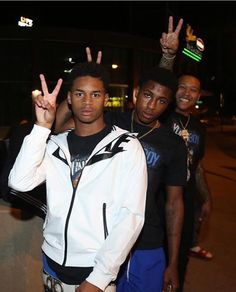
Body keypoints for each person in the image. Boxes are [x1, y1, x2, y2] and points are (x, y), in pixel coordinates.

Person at [55, 46, 187, 292]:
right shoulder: (111, 120)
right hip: (101, 240)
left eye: (161, 101)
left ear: (168, 105)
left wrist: (174, 262)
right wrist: (84, 84)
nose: (151, 105)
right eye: (147, 95)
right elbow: (60, 126)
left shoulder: (173, 144)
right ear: (137, 93)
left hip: (146, 243)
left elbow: (174, 204)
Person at [8, 62, 148, 292]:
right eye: (80, 94)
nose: (87, 101)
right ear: (69, 99)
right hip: (51, 263)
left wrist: (99, 278)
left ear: (105, 98)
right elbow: (19, 182)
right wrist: (42, 126)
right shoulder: (55, 144)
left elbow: (131, 217)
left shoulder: (127, 146)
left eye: (95, 94)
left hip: (94, 270)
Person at [163, 73, 213, 292]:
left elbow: (198, 166)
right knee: (158, 260)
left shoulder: (199, 128)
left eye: (193, 89)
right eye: (181, 87)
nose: (186, 93)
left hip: (188, 203)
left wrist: (206, 199)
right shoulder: (162, 116)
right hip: (160, 201)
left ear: (198, 95)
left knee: (180, 262)